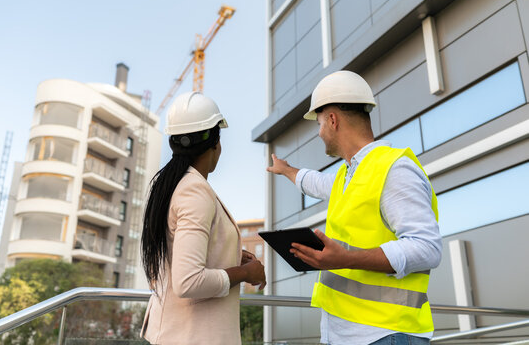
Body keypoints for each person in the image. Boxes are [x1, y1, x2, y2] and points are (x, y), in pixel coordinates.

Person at [267, 71, 442, 345]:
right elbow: (314, 182)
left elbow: (427, 248)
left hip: (386, 334)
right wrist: (286, 170)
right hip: (342, 334)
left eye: (320, 123)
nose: (320, 133)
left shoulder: (394, 169)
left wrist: (346, 258)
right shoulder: (346, 176)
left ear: (333, 120)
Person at [140, 92, 266, 345]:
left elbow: (175, 252)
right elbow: (188, 282)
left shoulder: (171, 185)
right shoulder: (194, 190)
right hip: (192, 336)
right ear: (216, 144)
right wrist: (244, 272)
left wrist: (228, 252)